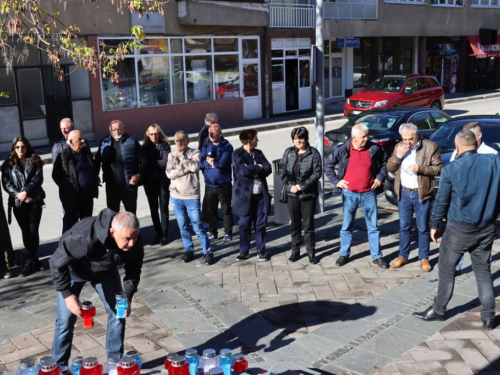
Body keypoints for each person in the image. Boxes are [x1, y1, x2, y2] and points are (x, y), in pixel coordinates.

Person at [413, 130, 500, 330]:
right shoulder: (494, 162)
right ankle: (488, 317)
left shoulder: (451, 169)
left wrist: (434, 225)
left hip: (459, 229)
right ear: (476, 144)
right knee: (483, 271)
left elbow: (442, 200)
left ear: (457, 147)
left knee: (446, 269)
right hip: (486, 227)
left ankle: (439, 309)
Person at [49, 209, 144, 369]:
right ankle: (59, 367)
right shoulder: (84, 237)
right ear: (112, 232)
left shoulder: (133, 238)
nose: (132, 243)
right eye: (127, 239)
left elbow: (134, 269)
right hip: (73, 271)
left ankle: (114, 362)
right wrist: (68, 296)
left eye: (134, 237)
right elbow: (56, 263)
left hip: (105, 271)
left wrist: (127, 296)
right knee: (65, 321)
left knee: (119, 312)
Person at [324, 124, 389, 269]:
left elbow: (385, 164)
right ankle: (344, 254)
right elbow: (328, 166)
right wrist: (336, 181)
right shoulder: (342, 149)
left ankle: (377, 256)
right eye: (363, 137)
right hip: (349, 194)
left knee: (373, 227)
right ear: (354, 138)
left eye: (367, 136)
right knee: (347, 225)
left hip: (368, 193)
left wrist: (379, 177)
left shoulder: (374, 149)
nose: (366, 139)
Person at [387, 123, 443, 272]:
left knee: (422, 227)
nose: (407, 142)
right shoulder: (400, 146)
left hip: (421, 193)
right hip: (404, 193)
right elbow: (390, 168)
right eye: (404, 139)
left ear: (417, 135)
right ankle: (403, 256)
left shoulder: (430, 147)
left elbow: (439, 168)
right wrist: (398, 156)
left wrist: (422, 169)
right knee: (404, 226)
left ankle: (424, 257)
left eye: (410, 139)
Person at [449, 121, 498, 275]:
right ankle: (457, 266)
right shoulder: (457, 152)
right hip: (461, 206)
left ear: (478, 135)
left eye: (469, 136)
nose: (466, 139)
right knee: (459, 239)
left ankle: (484, 267)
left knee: (483, 242)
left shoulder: (491, 154)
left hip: (482, 207)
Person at [166, 131, 213, 265]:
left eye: (182, 140)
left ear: (188, 141)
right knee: (183, 226)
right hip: (176, 196)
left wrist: (183, 159)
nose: (179, 143)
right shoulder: (171, 155)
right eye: (176, 141)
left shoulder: (195, 153)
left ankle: (207, 251)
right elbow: (169, 174)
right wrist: (185, 169)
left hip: (191, 196)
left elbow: (195, 166)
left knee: (198, 225)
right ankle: (189, 250)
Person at [1, 136, 45, 277]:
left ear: (27, 147)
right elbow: (7, 184)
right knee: (25, 231)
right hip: (18, 203)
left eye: (23, 146)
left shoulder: (35, 160)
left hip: (34, 200)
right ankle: (34, 260)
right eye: (18, 147)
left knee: (33, 230)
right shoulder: (7, 164)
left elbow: (38, 179)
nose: (21, 149)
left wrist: (26, 192)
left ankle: (30, 261)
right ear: (14, 148)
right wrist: (19, 195)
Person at [279, 126, 322, 264]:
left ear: (306, 139)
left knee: (308, 226)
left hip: (307, 195)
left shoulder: (313, 153)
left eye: (300, 138)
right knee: (295, 225)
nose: (297, 141)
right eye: (295, 138)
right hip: (292, 195)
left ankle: (310, 252)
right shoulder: (289, 152)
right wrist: (289, 186)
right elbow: (282, 170)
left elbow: (317, 173)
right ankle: (295, 251)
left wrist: (301, 186)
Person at [232, 129, 272, 262]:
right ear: (249, 140)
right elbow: (243, 171)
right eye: (256, 138)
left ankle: (261, 250)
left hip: (260, 196)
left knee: (260, 224)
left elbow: (268, 168)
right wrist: (258, 168)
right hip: (244, 197)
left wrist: (255, 169)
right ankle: (244, 251)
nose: (258, 140)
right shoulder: (237, 154)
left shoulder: (258, 153)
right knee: (244, 224)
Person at [94, 120, 147, 215]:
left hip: (128, 186)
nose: (117, 132)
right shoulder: (104, 142)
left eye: (119, 129)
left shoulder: (132, 141)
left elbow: (143, 160)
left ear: (124, 128)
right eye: (114, 130)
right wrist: (95, 176)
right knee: (112, 215)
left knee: (130, 215)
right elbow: (97, 160)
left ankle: (133, 230)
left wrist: (138, 175)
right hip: (111, 187)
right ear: (110, 130)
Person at [52, 130, 99, 233]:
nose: (83, 141)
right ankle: (68, 245)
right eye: (80, 139)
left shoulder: (86, 152)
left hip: (87, 196)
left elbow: (92, 168)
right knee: (71, 224)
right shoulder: (63, 155)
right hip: (71, 197)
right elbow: (55, 175)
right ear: (71, 141)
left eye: (83, 138)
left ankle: (85, 245)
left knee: (86, 222)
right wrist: (67, 187)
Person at [200, 124, 234, 243]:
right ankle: (213, 232)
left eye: (213, 133)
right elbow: (200, 163)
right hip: (209, 184)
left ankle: (228, 233)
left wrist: (210, 161)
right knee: (211, 210)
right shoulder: (206, 145)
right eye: (209, 133)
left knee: (226, 210)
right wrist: (211, 163)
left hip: (223, 184)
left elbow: (222, 164)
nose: (210, 135)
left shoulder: (227, 146)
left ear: (220, 133)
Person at [142, 124, 171, 246]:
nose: (154, 136)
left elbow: (165, 162)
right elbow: (144, 163)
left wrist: (150, 162)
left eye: (156, 133)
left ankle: (164, 234)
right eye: (152, 134)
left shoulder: (165, 146)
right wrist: (153, 163)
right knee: (153, 209)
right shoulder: (144, 148)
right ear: (148, 135)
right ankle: (158, 232)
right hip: (149, 182)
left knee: (163, 208)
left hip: (163, 181)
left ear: (160, 134)